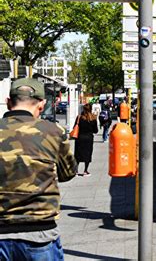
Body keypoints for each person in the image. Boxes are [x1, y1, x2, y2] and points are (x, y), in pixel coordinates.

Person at [0, 78, 77, 260]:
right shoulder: (53, 131)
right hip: (39, 234)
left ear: (8, 102)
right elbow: (68, 173)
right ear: (42, 105)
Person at [74, 103, 98, 176]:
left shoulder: (79, 117)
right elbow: (95, 130)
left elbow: (75, 127)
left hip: (79, 138)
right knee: (88, 154)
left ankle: (76, 171)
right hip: (89, 138)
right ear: (90, 109)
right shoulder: (93, 118)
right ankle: (85, 171)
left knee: (78, 154)